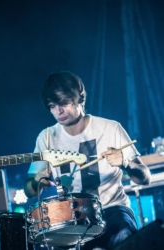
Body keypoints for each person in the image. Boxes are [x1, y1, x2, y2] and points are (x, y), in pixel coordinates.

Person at [24, 71, 151, 249]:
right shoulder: (46, 137)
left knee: (125, 237)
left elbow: (145, 178)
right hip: (72, 218)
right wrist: (37, 181)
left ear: (80, 99)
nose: (58, 111)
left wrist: (126, 163)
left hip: (113, 209)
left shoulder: (111, 128)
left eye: (64, 103)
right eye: (52, 106)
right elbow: (29, 190)